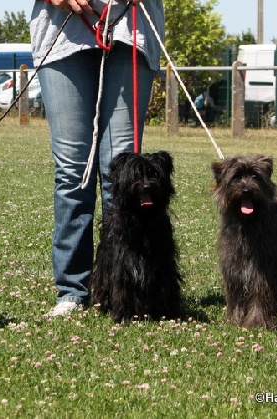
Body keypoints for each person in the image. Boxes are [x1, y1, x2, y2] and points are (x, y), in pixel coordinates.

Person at [30, 0, 165, 316]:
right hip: (61, 34)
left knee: (123, 173)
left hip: (132, 28)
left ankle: (125, 289)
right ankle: (72, 292)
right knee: (72, 171)